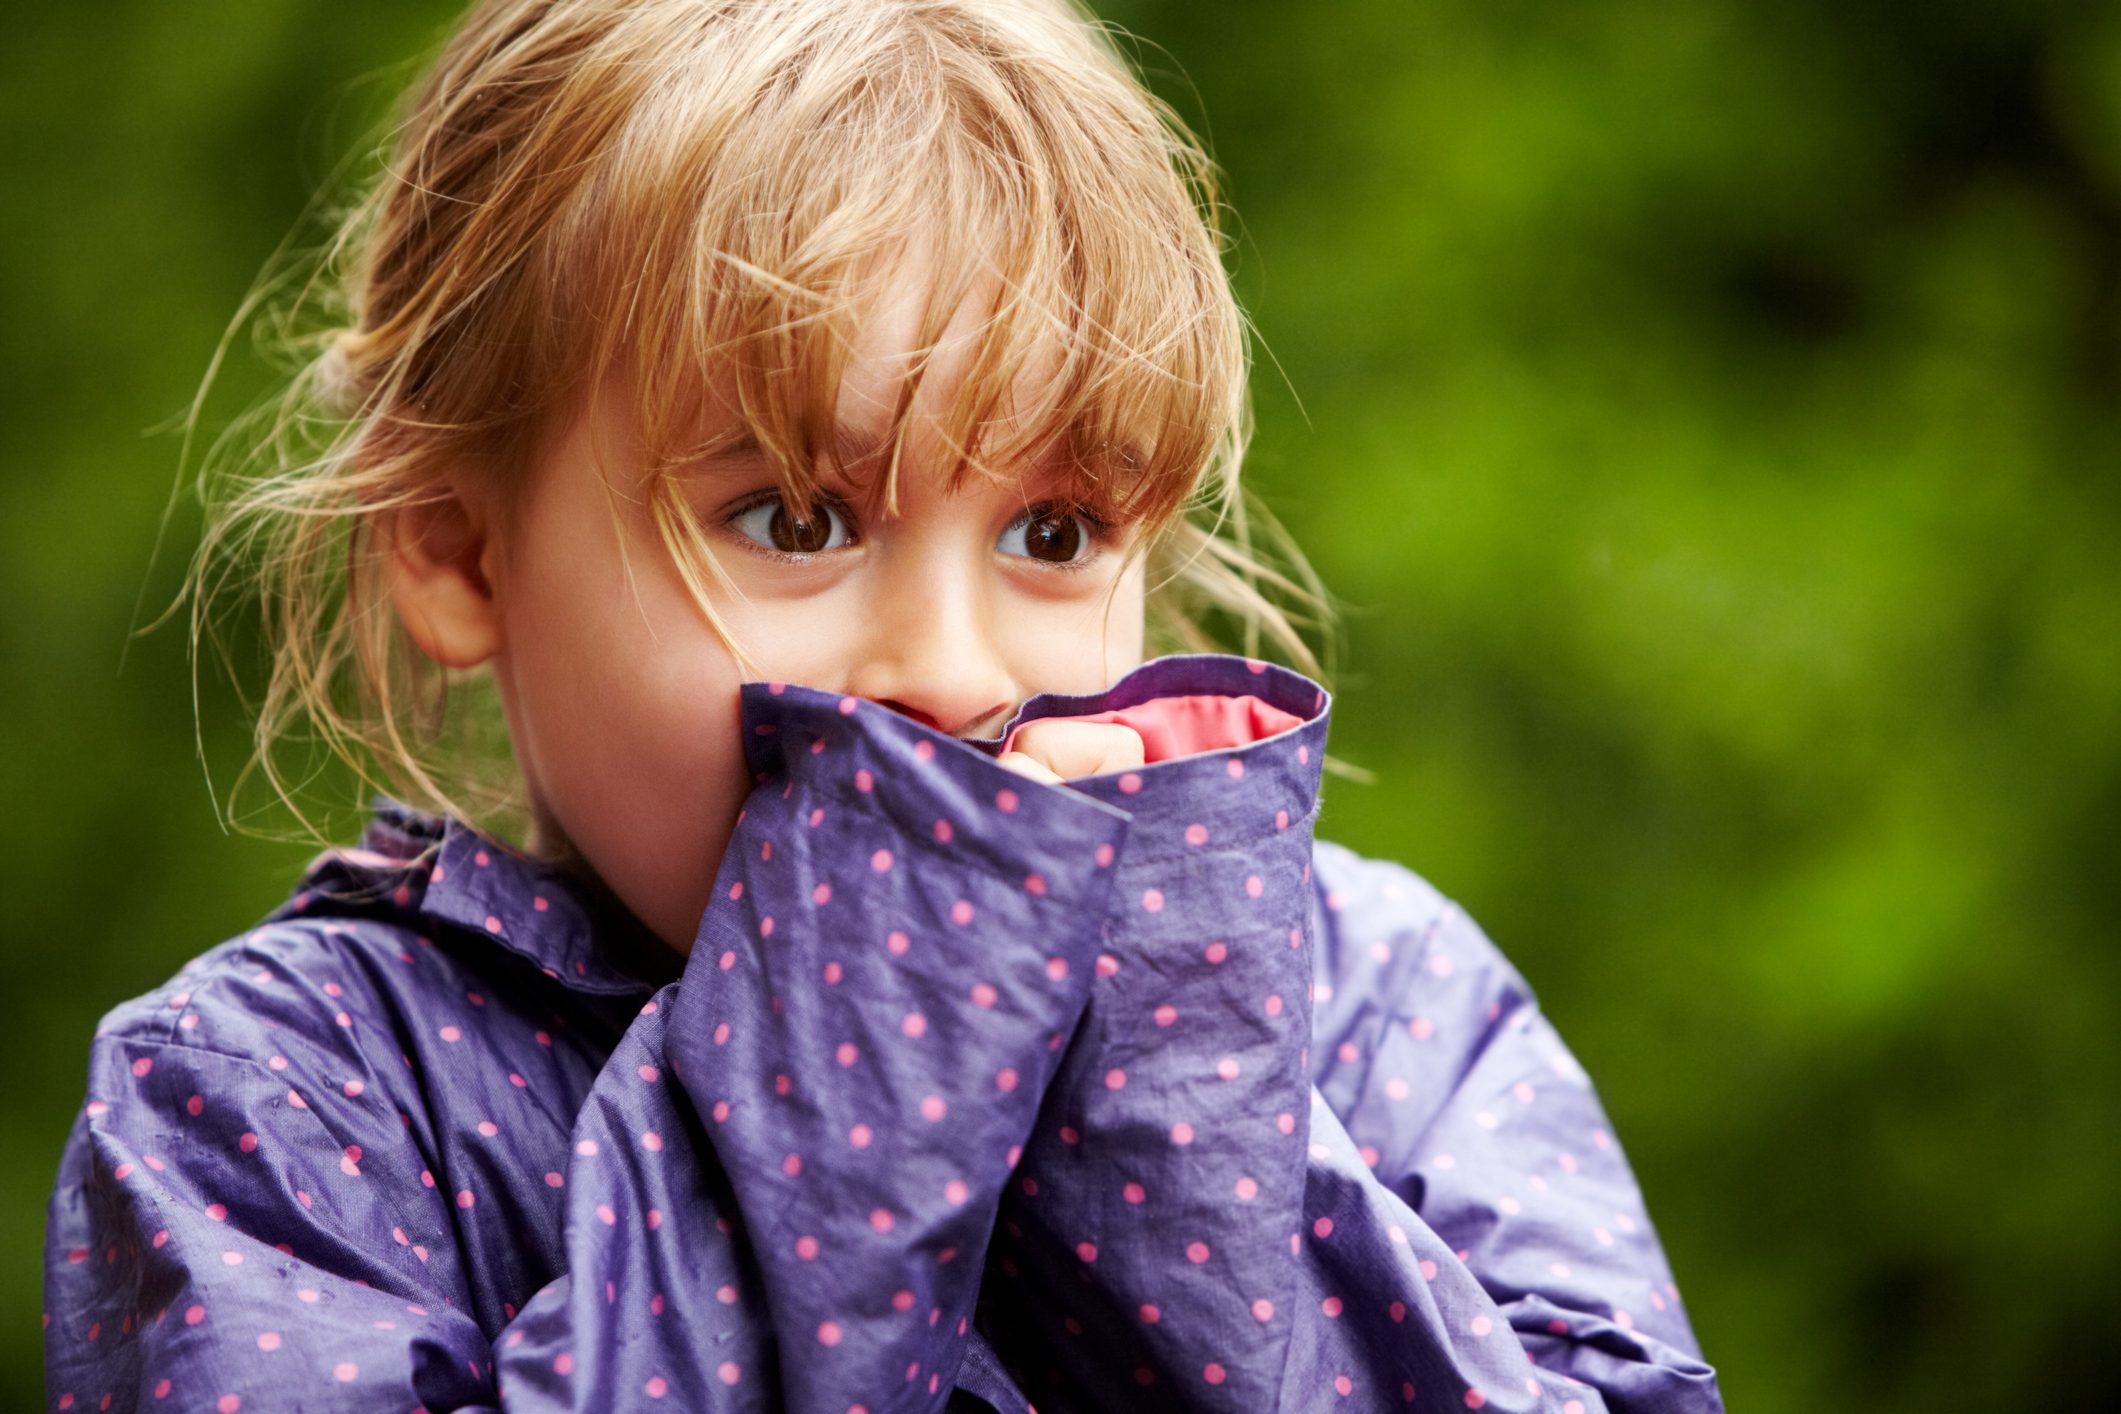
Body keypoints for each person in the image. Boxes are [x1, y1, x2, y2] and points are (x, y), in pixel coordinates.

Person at [42, 1, 1723, 1409]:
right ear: (457, 547)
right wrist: (872, 1047)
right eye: (793, 519)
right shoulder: (280, 1106)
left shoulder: (1378, 1013)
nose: (954, 669)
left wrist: (1154, 1060)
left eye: (1051, 534)